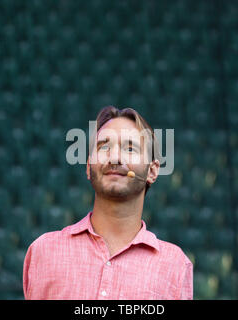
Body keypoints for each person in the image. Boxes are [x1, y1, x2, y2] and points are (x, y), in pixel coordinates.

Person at [23, 106, 193, 299]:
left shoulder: (175, 265)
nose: (114, 157)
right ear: (88, 167)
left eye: (130, 148)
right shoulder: (43, 251)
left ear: (152, 171)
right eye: (104, 146)